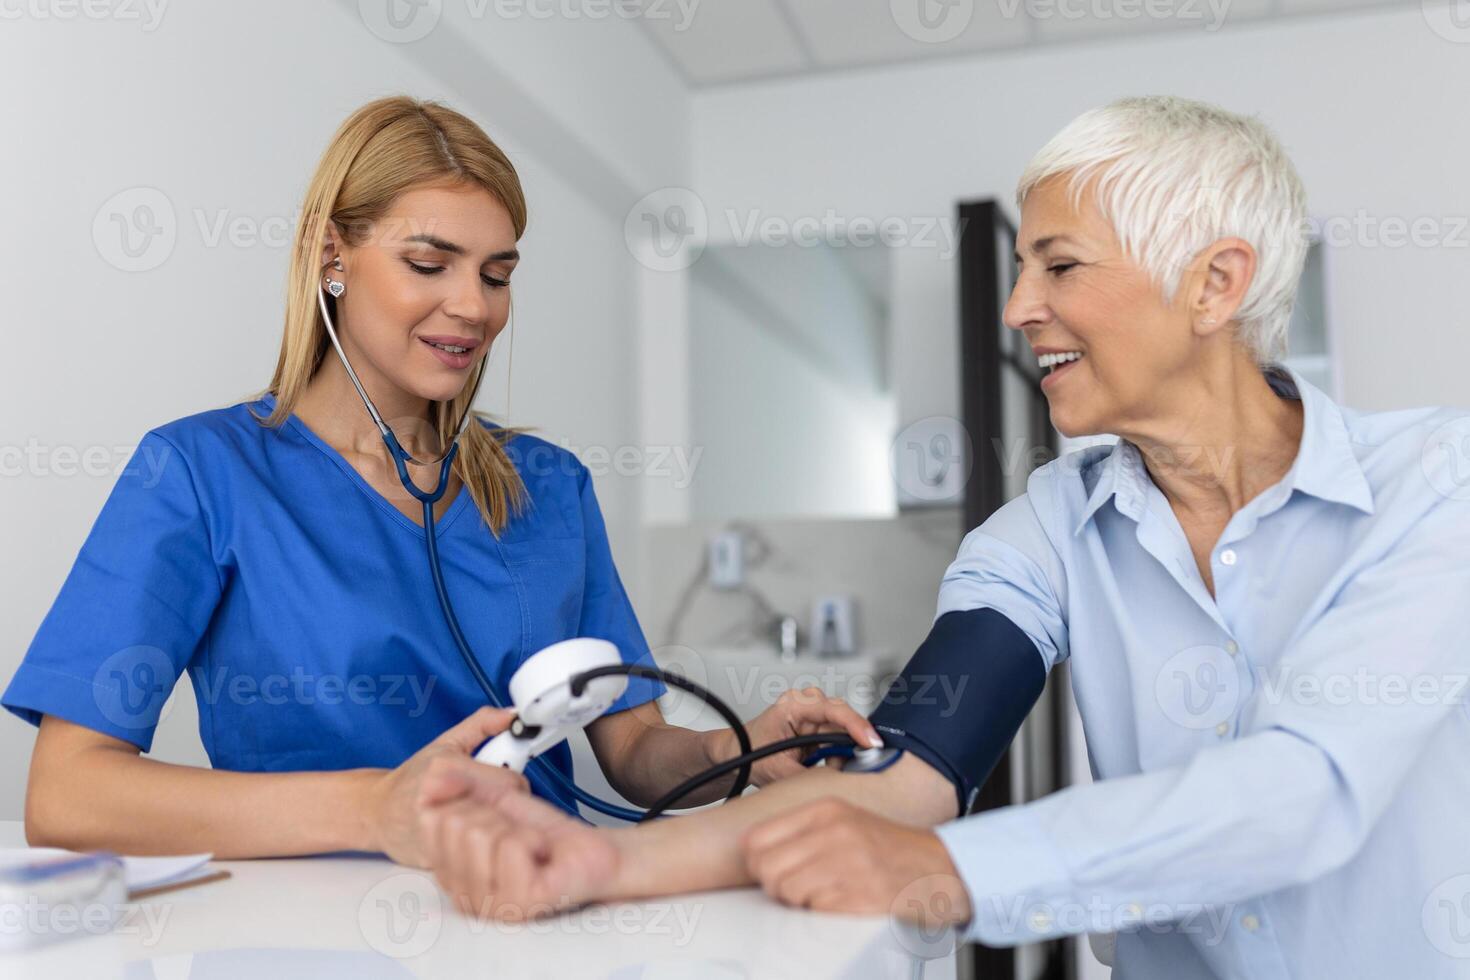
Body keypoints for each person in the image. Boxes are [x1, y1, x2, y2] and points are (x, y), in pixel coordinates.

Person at [411, 96, 1470, 977]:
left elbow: (1307, 788)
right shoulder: (1048, 528)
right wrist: (605, 866)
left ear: (1214, 283)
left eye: (1059, 266)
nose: (1018, 306)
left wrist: (955, 874)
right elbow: (910, 766)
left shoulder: (1437, 484)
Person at [2, 95, 875, 865]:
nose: (474, 306)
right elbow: (70, 797)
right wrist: (374, 810)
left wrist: (744, 753)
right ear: (330, 255)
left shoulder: (550, 487)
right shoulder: (199, 474)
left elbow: (634, 749)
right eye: (430, 264)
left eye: (498, 275)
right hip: (299, 942)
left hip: (537, 913)